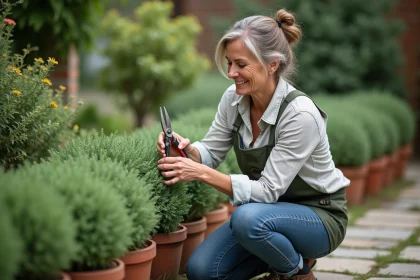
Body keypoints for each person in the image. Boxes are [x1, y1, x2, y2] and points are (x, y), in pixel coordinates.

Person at [157, 8, 349, 280]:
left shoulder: (300, 114)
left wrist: (199, 173)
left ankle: (297, 271)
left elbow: (268, 190)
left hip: (318, 217)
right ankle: (279, 257)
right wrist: (187, 151)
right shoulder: (234, 99)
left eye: (241, 64)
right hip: (266, 216)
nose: (232, 72)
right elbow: (211, 149)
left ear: (272, 64)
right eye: (229, 63)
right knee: (201, 272)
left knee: (246, 219)